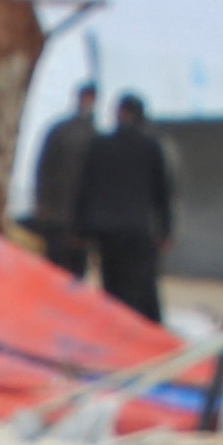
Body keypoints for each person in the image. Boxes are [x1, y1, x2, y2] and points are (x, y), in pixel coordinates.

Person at [77, 89, 172, 320]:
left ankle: (114, 328)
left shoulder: (100, 145)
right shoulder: (151, 146)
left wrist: (80, 227)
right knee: (139, 286)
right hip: (137, 228)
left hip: (105, 229)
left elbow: (86, 187)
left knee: (112, 286)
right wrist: (166, 230)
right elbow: (162, 192)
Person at [26, 90, 95, 277]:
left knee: (59, 267)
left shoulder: (61, 130)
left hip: (62, 213)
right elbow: (44, 168)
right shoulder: (95, 133)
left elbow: (43, 168)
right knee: (69, 269)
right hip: (69, 214)